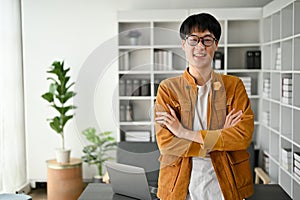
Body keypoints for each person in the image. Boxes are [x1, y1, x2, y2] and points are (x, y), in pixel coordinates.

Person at [154, 13, 254, 200]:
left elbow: (242, 137)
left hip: (225, 185)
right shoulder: (168, 89)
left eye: (207, 40)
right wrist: (220, 137)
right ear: (183, 44)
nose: (200, 46)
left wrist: (184, 133)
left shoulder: (234, 86)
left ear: (216, 45)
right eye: (193, 40)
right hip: (179, 186)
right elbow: (166, 144)